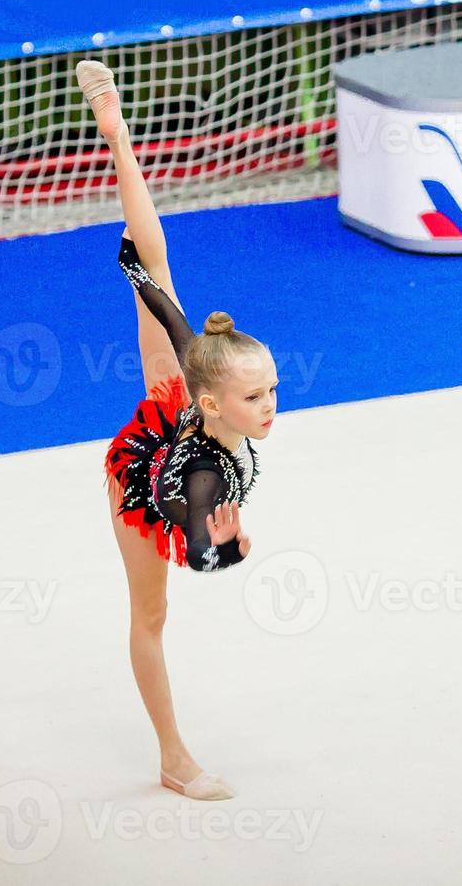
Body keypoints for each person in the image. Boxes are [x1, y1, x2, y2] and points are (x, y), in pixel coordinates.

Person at [76, 59, 280, 801]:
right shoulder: (202, 472)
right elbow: (198, 551)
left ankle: (118, 139)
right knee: (152, 613)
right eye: (256, 397)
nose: (270, 408)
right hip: (145, 482)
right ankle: (172, 757)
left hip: (177, 412)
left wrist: (144, 282)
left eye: (274, 392)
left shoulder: (200, 389)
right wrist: (229, 547)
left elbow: (168, 307)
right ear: (219, 404)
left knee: (158, 263)